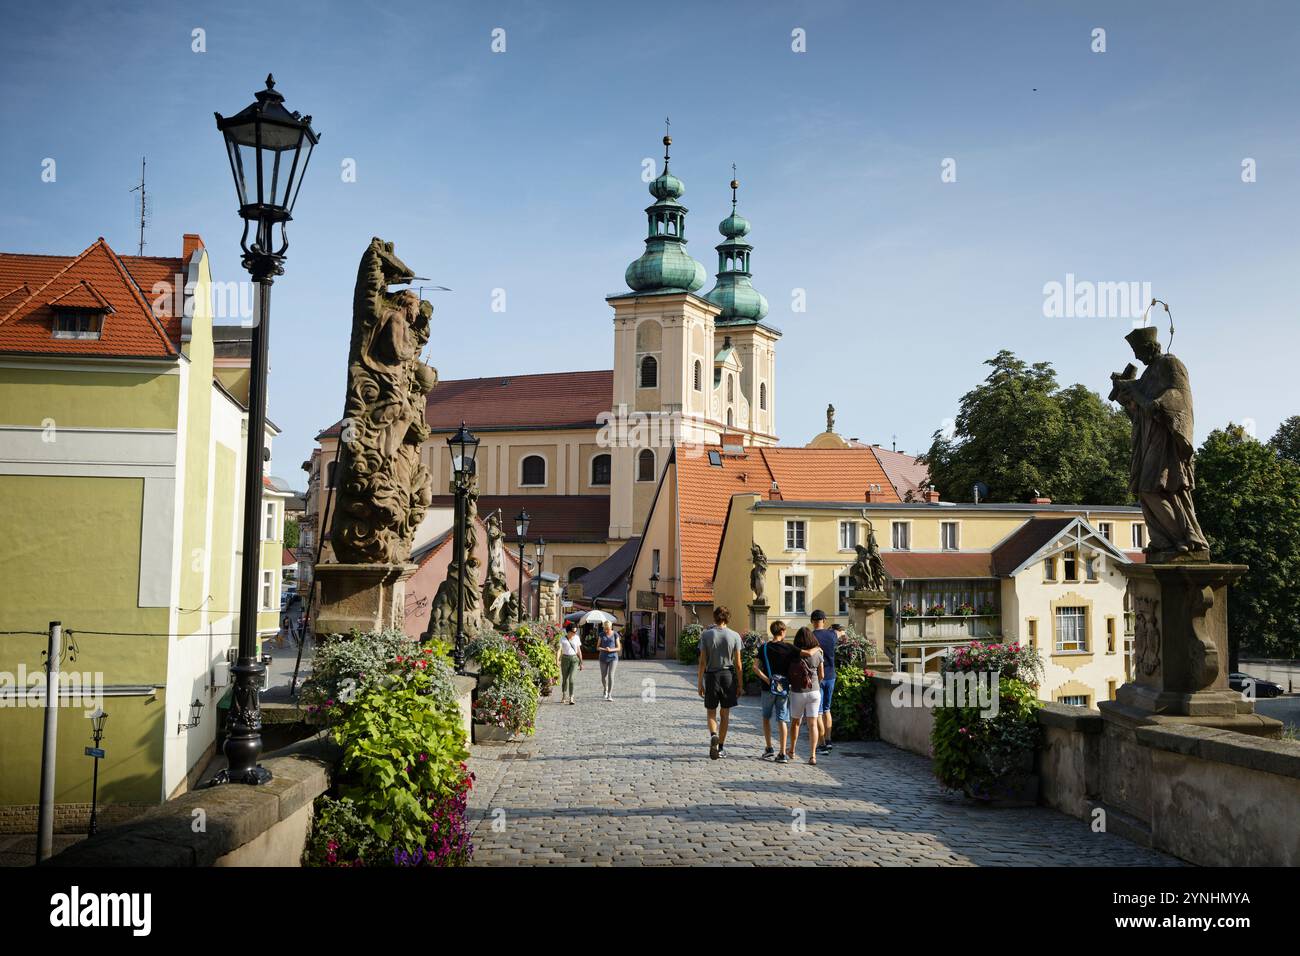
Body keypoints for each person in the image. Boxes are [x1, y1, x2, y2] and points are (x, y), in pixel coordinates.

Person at [697, 606, 744, 759]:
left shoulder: (706, 635)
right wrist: (740, 684)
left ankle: (713, 735)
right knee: (725, 714)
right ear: (727, 618)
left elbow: (702, 662)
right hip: (728, 676)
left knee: (711, 711)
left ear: (715, 617)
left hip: (711, 676)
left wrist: (699, 683)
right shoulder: (735, 636)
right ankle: (721, 747)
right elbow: (738, 664)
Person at [755, 620, 797, 763]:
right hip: (783, 689)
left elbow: (755, 667)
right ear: (782, 632)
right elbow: (804, 655)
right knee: (782, 719)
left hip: (768, 688)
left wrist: (767, 680)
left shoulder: (764, 647)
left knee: (766, 718)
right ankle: (782, 753)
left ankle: (769, 748)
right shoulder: (789, 648)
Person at [787, 626, 824, 765]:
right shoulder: (819, 653)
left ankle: (792, 750)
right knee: (812, 724)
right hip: (814, 691)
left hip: (798, 691)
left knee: (796, 723)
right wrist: (815, 684)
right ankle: (813, 756)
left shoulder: (794, 653)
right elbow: (822, 675)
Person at [810, 610, 838, 754]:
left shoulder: (811, 636)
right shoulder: (832, 634)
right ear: (824, 620)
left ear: (812, 621)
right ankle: (828, 740)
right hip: (831, 675)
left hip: (818, 676)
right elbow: (840, 634)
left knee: (818, 711)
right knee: (827, 709)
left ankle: (821, 744)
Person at [558, 620, 583, 704]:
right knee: (565, 679)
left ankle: (571, 697)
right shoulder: (562, 639)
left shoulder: (576, 638)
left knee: (571, 679)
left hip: (574, 659)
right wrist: (557, 660)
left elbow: (579, 650)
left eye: (575, 631)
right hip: (565, 659)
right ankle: (564, 695)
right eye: (573, 632)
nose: (574, 633)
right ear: (568, 631)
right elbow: (559, 650)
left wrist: (581, 662)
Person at [597, 620, 622, 701]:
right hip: (603, 657)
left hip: (613, 657)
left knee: (611, 675)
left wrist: (611, 650)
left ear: (611, 627)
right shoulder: (601, 634)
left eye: (607, 628)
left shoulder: (615, 634)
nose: (606, 630)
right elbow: (597, 647)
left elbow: (619, 647)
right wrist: (604, 649)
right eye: (605, 629)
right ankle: (605, 689)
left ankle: (610, 695)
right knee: (603, 676)